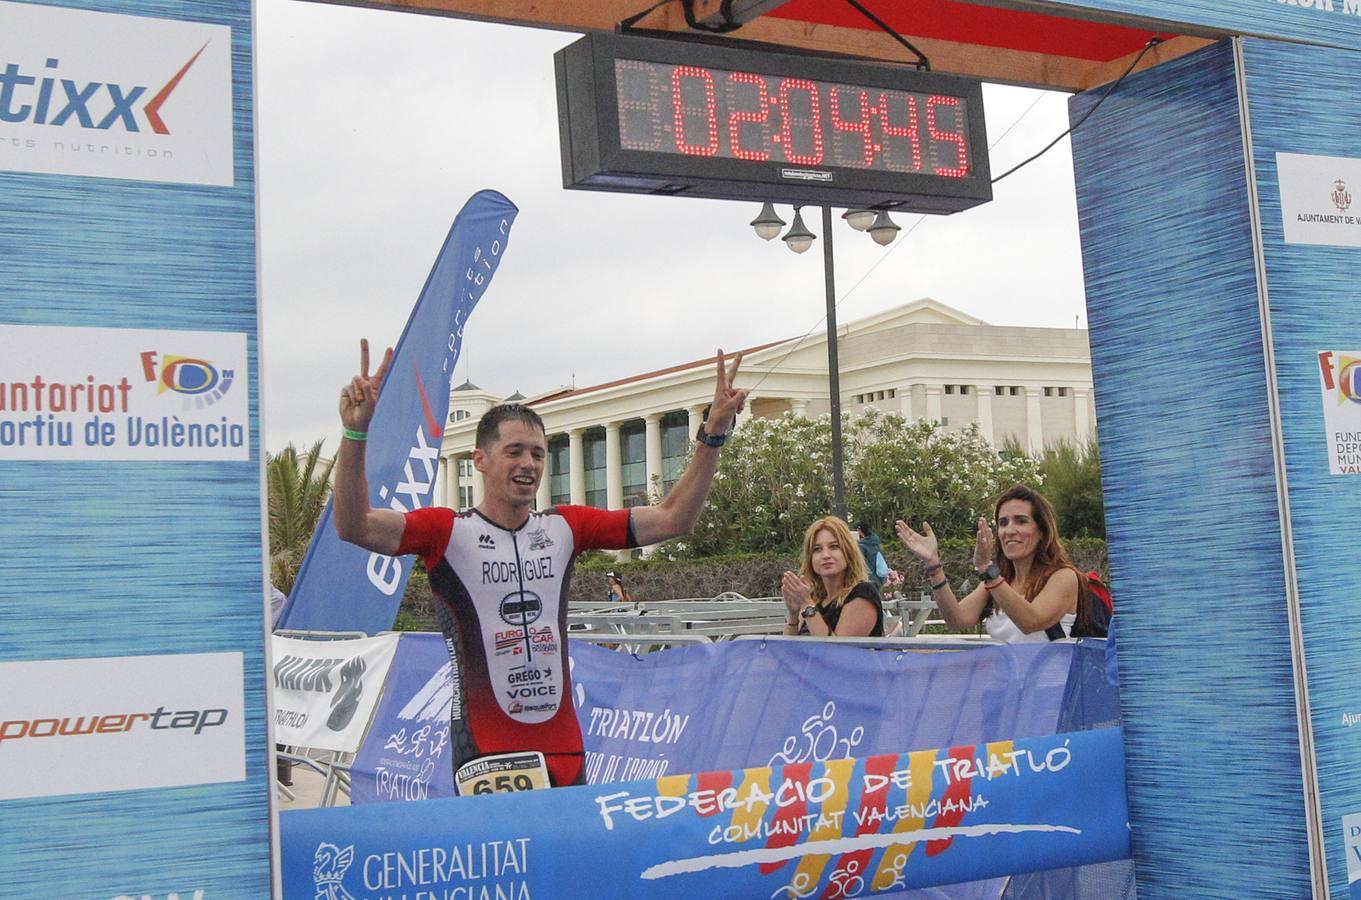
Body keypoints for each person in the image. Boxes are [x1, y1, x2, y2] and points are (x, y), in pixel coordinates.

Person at [332, 339, 746, 789]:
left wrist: (712, 434)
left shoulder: (566, 526)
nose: (528, 463)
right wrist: (356, 435)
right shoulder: (445, 532)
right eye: (514, 452)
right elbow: (354, 525)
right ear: (480, 461)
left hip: (563, 743)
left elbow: (673, 519)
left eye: (537, 453)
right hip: (485, 749)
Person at [895, 484, 1079, 644]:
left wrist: (986, 569)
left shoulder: (1063, 577)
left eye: (1021, 521)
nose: (1010, 530)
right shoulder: (997, 581)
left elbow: (1030, 622)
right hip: (1005, 683)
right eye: (1003, 523)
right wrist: (933, 564)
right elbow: (957, 620)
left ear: (1042, 531)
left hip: (1051, 684)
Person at [781, 516, 884, 637]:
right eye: (817, 549)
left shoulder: (863, 593)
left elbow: (836, 652)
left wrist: (807, 605)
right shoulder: (813, 597)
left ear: (848, 552)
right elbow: (786, 650)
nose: (825, 555)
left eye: (834, 547)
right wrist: (793, 615)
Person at [856, 521, 889, 589]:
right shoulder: (876, 542)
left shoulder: (862, 546)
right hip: (880, 576)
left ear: (859, 530)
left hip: (870, 579)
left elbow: (863, 564)